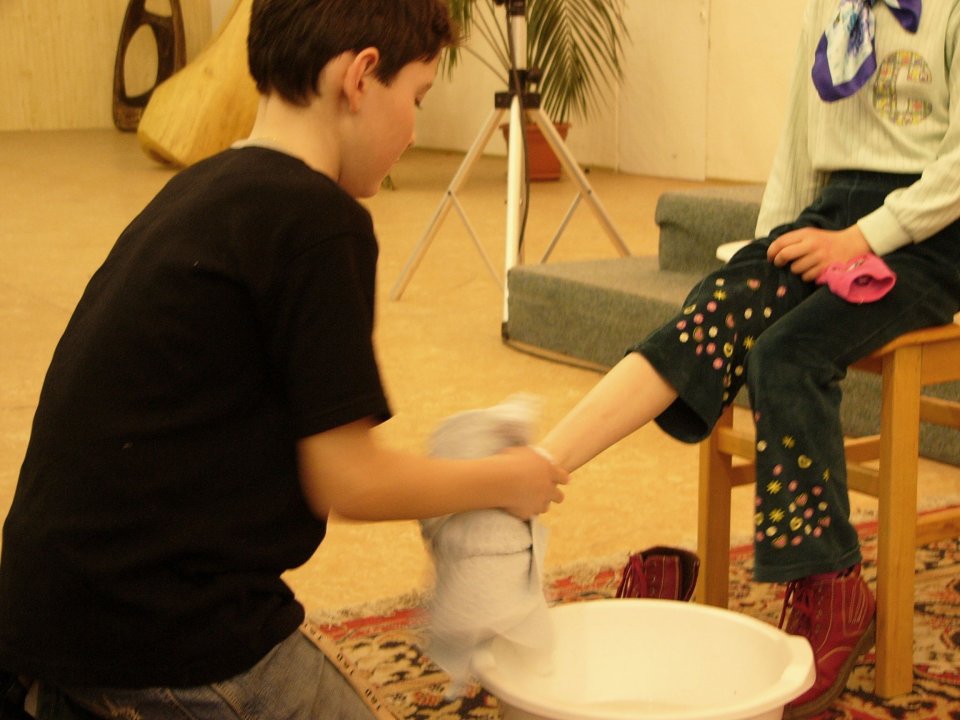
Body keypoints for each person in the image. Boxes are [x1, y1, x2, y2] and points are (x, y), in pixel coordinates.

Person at [0, 1, 568, 717]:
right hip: (162, 627)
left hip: (44, 611)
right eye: (417, 97)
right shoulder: (318, 223)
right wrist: (506, 478)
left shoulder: (201, 189)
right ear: (360, 78)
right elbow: (349, 479)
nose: (414, 129)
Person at [538, 0, 960, 717]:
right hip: (833, 215)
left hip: (932, 235)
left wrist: (864, 238)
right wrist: (766, 256)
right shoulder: (828, 7)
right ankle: (544, 464)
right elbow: (798, 143)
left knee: (785, 356)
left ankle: (834, 588)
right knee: (717, 312)